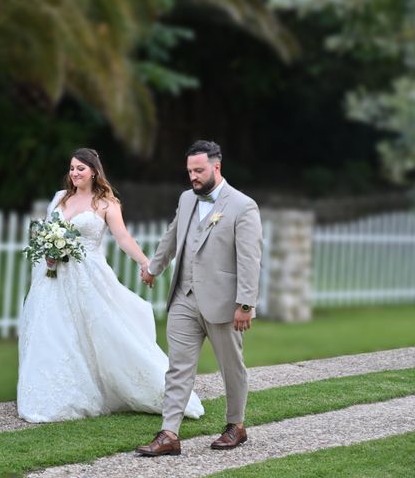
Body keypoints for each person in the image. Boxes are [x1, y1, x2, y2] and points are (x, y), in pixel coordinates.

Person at [17, 148, 204, 423]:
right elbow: (47, 232)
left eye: (80, 168)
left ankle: (150, 387)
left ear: (93, 171)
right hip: (54, 278)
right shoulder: (60, 199)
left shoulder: (106, 203)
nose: (75, 173)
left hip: (88, 275)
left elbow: (123, 238)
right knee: (54, 330)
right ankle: (56, 392)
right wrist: (49, 250)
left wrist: (146, 263)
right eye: (71, 168)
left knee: (105, 329)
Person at [136, 140, 262, 456]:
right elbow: (172, 236)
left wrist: (245, 304)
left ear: (216, 167)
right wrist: (154, 267)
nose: (193, 176)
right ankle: (169, 434)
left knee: (231, 367)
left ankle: (236, 425)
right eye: (190, 170)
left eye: (199, 170)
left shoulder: (243, 206)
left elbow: (250, 259)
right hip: (184, 296)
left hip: (224, 303)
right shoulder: (186, 199)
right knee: (177, 367)